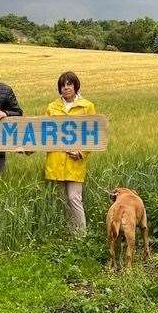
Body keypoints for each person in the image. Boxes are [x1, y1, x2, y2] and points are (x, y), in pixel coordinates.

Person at [45, 71, 96, 236]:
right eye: (63, 85)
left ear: (76, 86)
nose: (66, 88)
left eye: (69, 84)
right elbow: (42, 133)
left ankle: (81, 236)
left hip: (75, 162)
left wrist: (82, 153)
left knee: (74, 198)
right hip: (55, 160)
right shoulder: (52, 107)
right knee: (61, 200)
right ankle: (68, 234)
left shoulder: (87, 106)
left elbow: (93, 134)